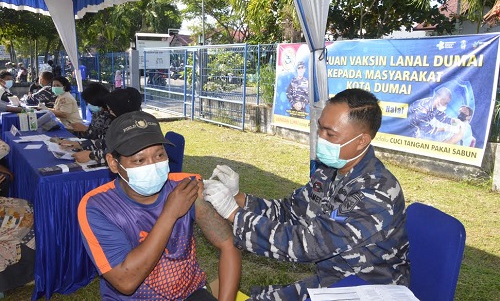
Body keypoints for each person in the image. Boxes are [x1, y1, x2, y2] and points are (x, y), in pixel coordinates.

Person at [204, 88, 410, 300]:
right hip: (334, 280)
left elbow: (308, 245)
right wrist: (238, 197)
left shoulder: (375, 191)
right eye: (320, 128)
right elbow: (289, 211)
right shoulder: (328, 173)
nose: (320, 137)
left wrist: (234, 215)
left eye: (330, 134)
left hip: (367, 289)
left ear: (361, 141)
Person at [78, 111, 241, 300]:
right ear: (113, 163)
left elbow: (229, 244)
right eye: (139, 160)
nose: (153, 165)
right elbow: (126, 282)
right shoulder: (98, 207)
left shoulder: (185, 187)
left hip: (189, 293)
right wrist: (170, 213)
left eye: (159, 155)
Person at [62, 87, 142, 164]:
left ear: (121, 108)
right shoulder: (122, 122)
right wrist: (80, 145)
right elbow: (106, 142)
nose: (109, 112)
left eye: (111, 110)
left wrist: (92, 155)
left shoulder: (135, 127)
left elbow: (122, 153)